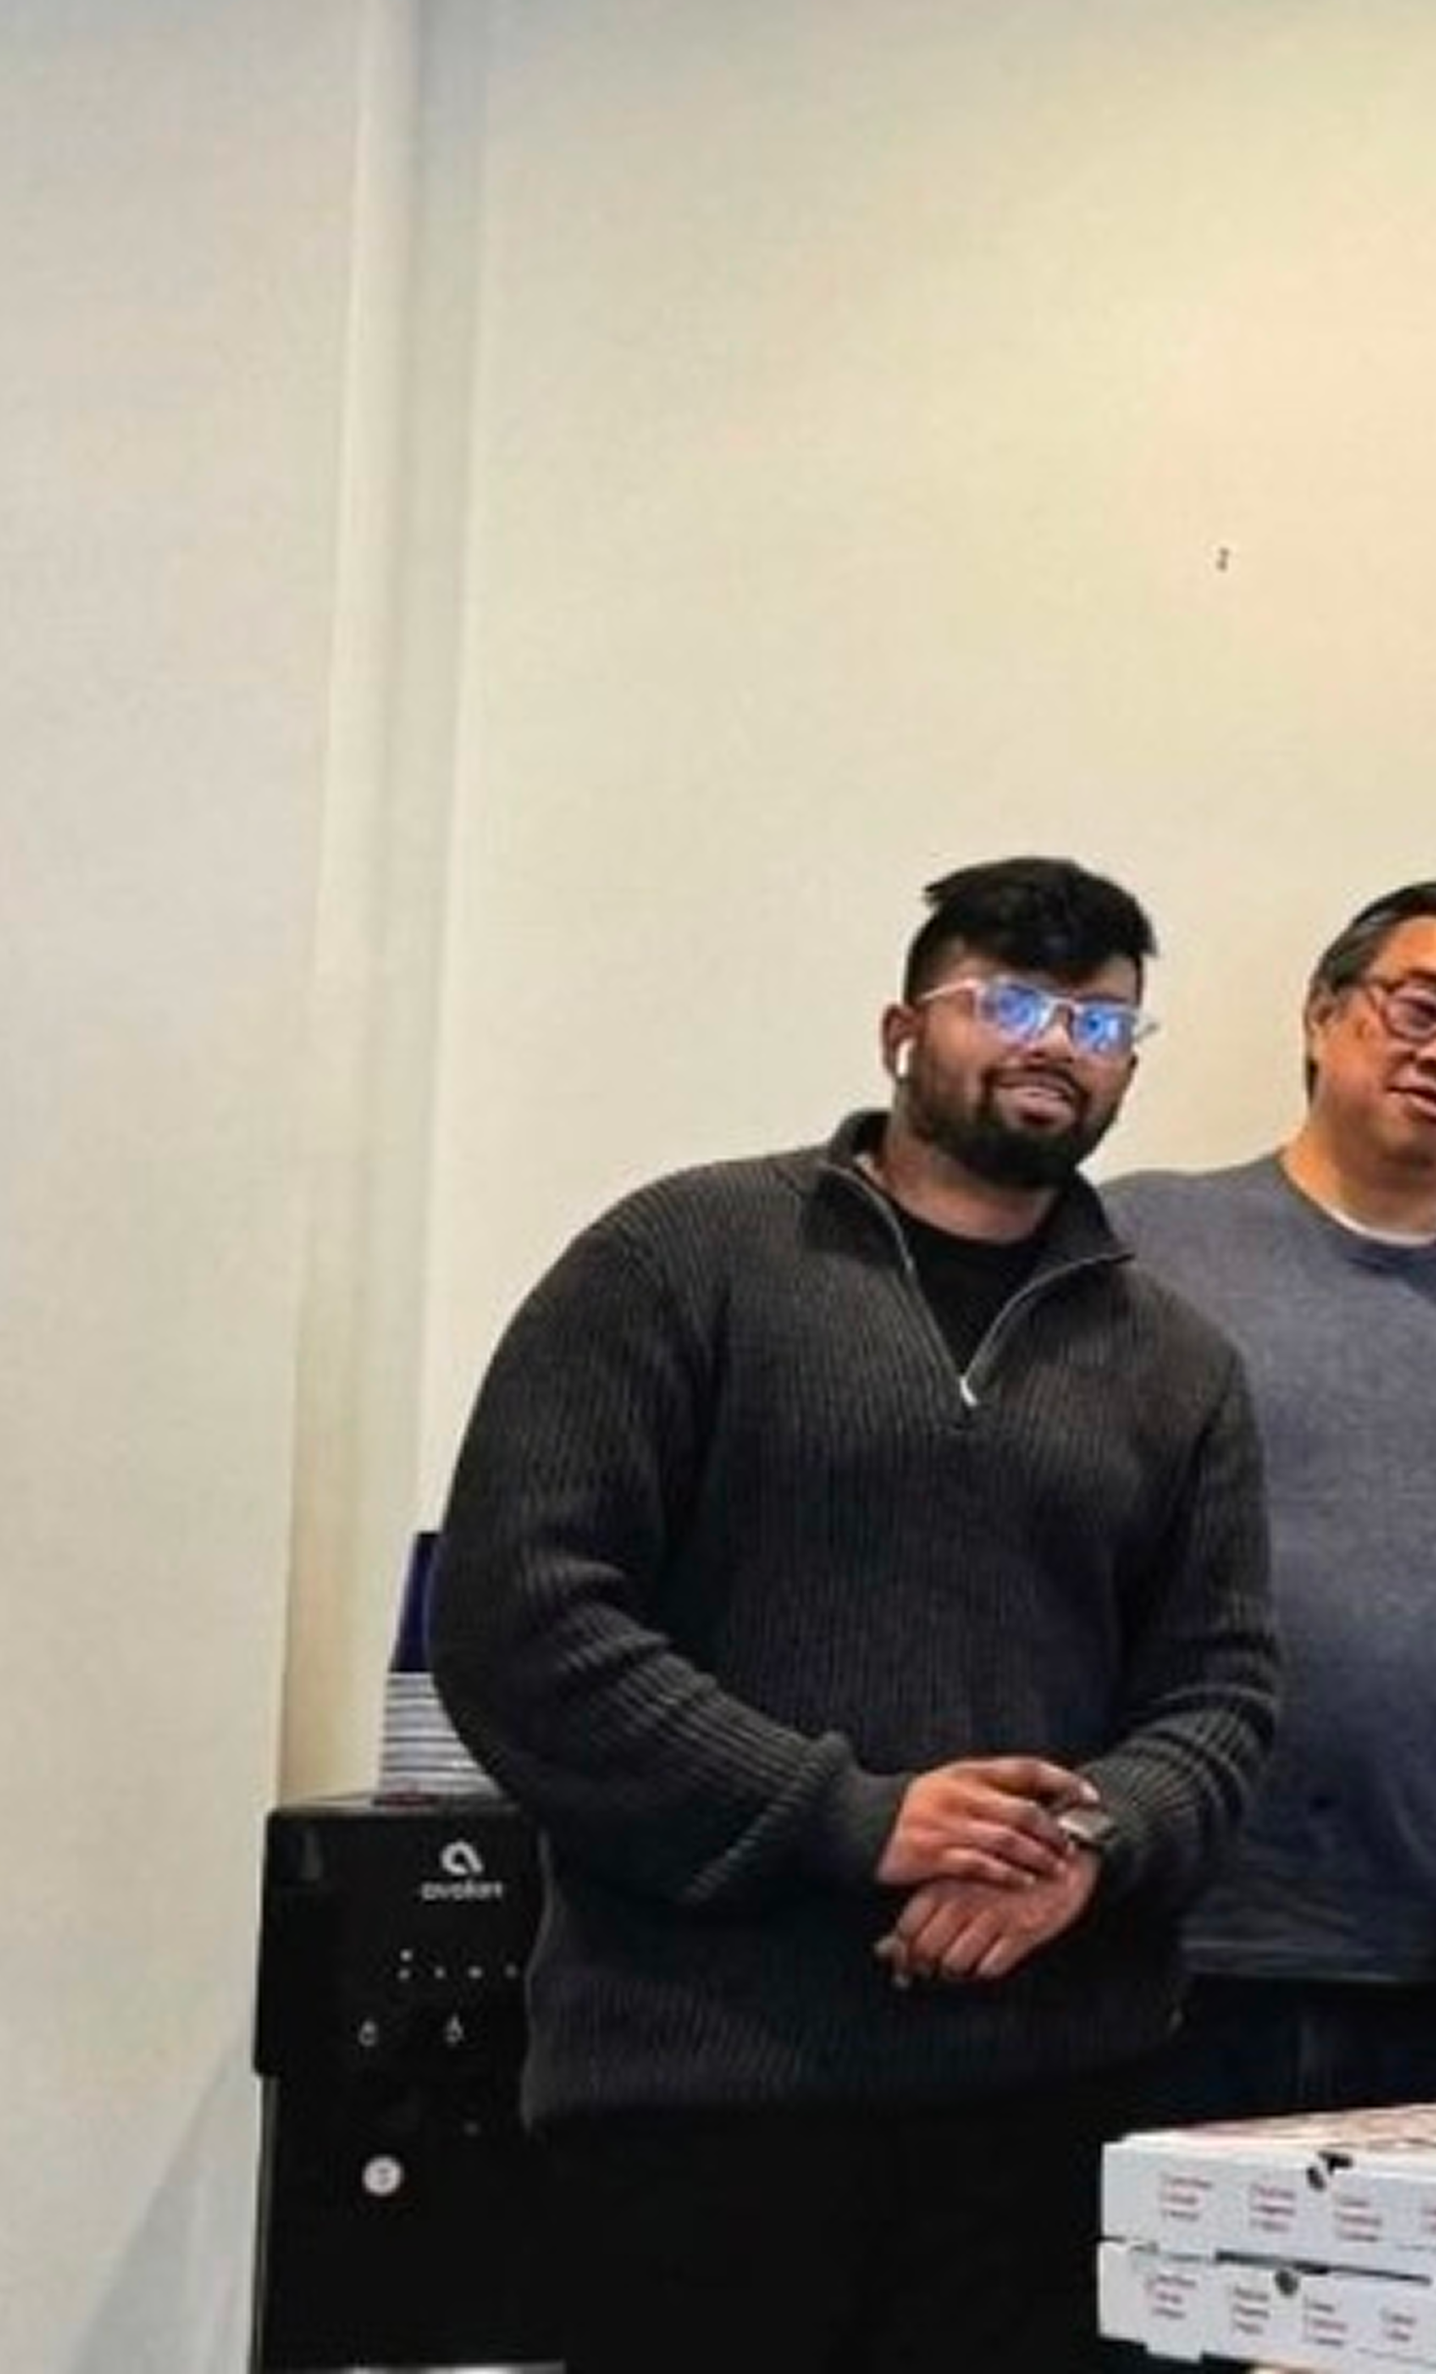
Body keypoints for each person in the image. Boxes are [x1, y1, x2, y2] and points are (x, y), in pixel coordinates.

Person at [434, 854, 1275, 2374]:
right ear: (902, 1029)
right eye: (1007, 1001)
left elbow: (1220, 1696)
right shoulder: (683, 1261)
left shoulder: (1179, 1361)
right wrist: (853, 1817)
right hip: (700, 2101)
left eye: (1101, 1023)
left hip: (1047, 2112)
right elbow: (525, 1618)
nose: (1053, 1044)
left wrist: (1082, 1851)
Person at [1108, 882, 1436, 2123]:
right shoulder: (1135, 1240)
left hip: (1408, 1962)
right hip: (1142, 1925)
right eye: (1417, 1005)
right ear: (1321, 1016)